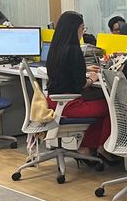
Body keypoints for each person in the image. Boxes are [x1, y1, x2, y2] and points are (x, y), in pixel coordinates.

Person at [45, 11, 114, 161]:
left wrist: (84, 68)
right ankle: (102, 148)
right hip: (70, 104)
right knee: (112, 107)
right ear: (74, 29)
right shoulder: (74, 50)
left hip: (53, 102)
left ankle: (87, 148)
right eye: (83, 28)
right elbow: (80, 86)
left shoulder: (56, 47)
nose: (83, 32)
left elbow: (64, 68)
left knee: (101, 103)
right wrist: (92, 79)